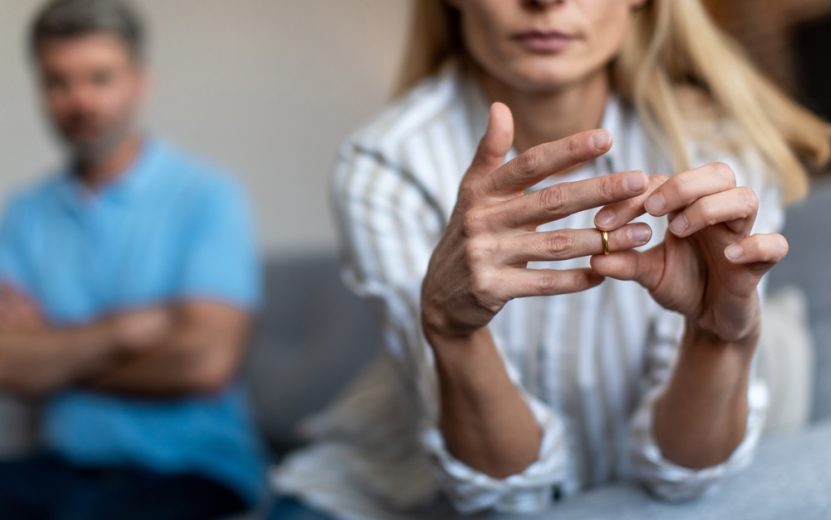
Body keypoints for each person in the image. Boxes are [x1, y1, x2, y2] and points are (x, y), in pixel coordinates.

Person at [273, 0, 830, 518]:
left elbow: (685, 478)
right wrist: (450, 329)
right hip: (383, 502)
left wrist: (717, 339)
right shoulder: (386, 165)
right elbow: (505, 493)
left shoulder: (719, 153)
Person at [0, 0, 265, 518]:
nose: (80, 100)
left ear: (139, 81)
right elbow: (6, 364)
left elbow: (204, 362)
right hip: (62, 465)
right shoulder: (23, 214)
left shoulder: (207, 195)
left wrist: (52, 358)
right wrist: (123, 333)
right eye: (59, 81)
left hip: (195, 471)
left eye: (99, 78)